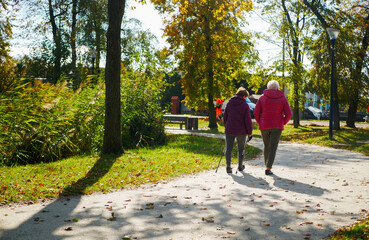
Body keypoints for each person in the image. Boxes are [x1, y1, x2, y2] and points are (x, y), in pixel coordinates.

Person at [254, 80, 292, 175]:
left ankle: (267, 165)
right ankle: (268, 167)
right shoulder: (282, 98)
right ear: (277, 88)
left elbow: (256, 112)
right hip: (277, 125)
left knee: (267, 146)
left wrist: (260, 122)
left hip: (264, 125)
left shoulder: (262, 98)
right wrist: (283, 122)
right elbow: (289, 113)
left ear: (268, 87)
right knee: (273, 147)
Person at [223, 87, 253, 173]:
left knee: (228, 148)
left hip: (229, 129)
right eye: (246, 97)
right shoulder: (245, 105)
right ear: (244, 96)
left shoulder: (229, 103)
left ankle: (228, 166)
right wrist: (249, 133)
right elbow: (248, 120)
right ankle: (240, 166)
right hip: (241, 131)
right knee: (241, 148)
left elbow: (225, 117)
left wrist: (227, 126)